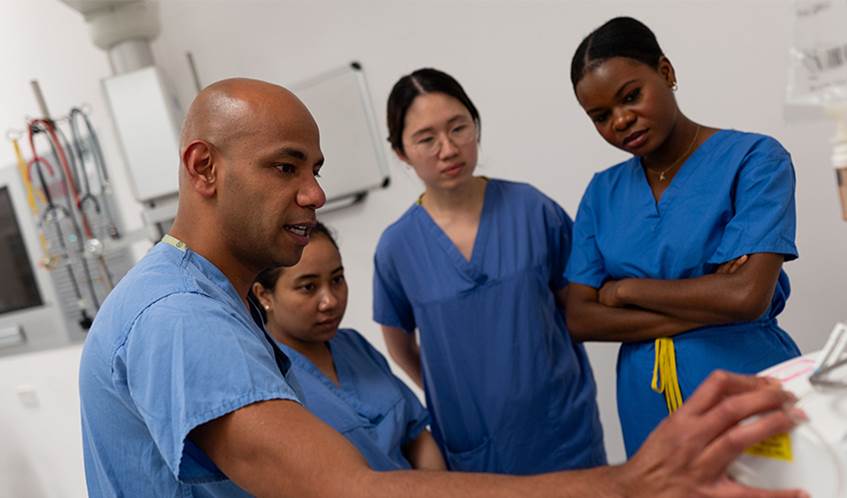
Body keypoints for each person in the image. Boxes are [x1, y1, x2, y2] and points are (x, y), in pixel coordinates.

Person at [78, 77, 807, 498]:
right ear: (203, 168)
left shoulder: (213, 298)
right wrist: (625, 483)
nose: (314, 192)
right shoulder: (177, 315)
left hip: (565, 428)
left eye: (315, 168)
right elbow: (351, 491)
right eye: (285, 167)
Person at [566, 16, 802, 457]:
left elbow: (747, 297)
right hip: (646, 408)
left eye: (631, 96)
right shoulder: (602, 193)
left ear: (667, 73)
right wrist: (712, 297)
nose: (620, 120)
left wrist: (625, 290)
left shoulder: (754, 159)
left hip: (745, 386)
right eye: (600, 116)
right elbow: (580, 318)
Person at [372, 67, 605, 474]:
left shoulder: (532, 209)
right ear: (401, 153)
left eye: (458, 128)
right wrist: (453, 393)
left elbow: (580, 307)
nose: (448, 148)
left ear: (475, 126)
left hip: (562, 433)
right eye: (426, 139)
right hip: (475, 448)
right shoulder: (397, 248)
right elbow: (400, 344)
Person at [251, 222, 445, 471]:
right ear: (264, 295)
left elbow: (416, 436)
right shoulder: (266, 377)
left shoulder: (354, 345)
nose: (330, 300)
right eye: (308, 287)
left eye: (337, 279)